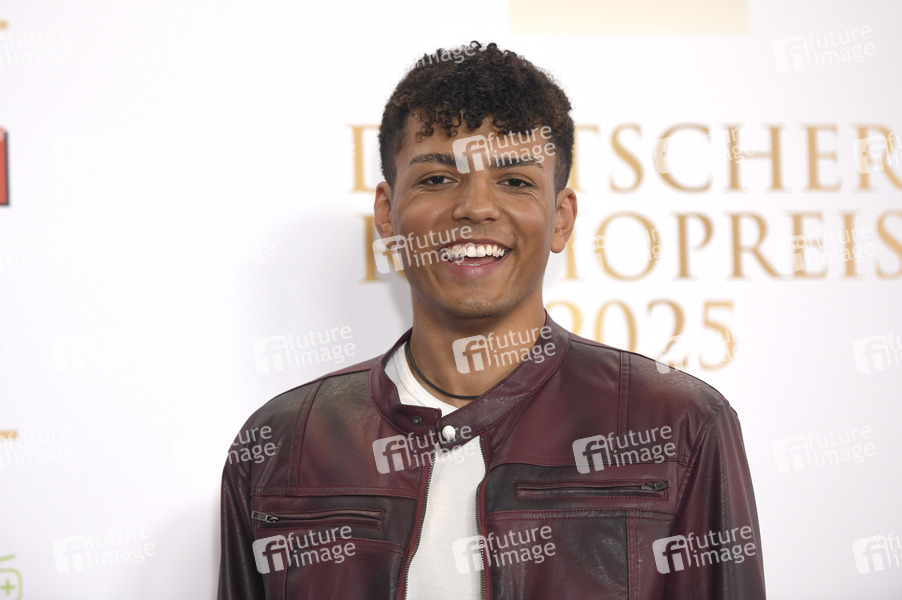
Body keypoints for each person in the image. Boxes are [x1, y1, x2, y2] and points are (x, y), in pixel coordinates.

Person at [218, 41, 766, 599]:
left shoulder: (681, 423)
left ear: (561, 218)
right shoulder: (283, 442)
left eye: (515, 181)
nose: (475, 208)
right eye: (437, 179)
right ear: (387, 214)